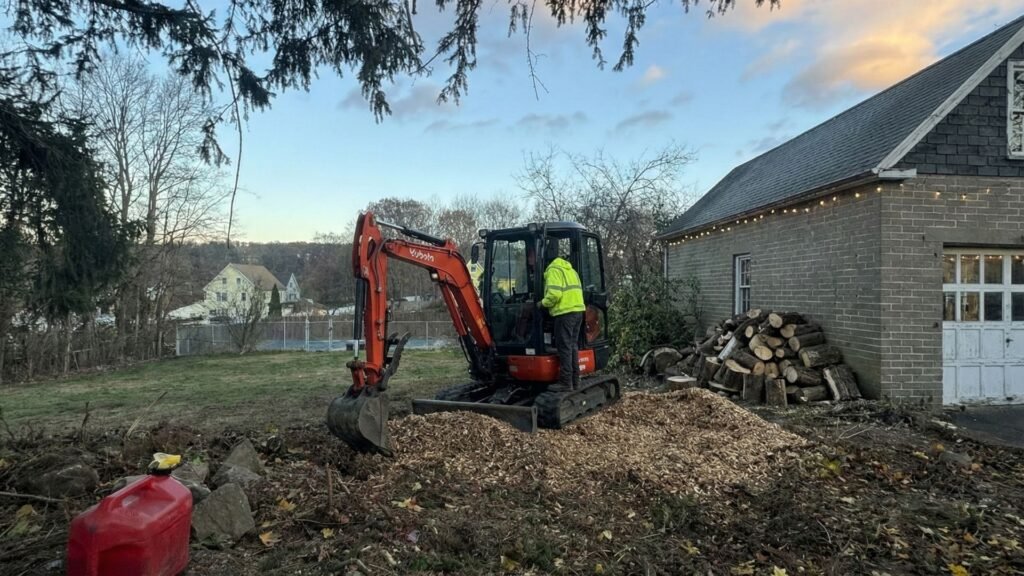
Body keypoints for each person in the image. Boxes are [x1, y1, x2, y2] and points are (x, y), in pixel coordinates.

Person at [539, 240, 586, 392]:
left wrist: (542, 304)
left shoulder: (553, 270)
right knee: (572, 346)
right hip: (578, 312)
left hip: (564, 313)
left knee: (564, 347)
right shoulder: (571, 270)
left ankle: (566, 382)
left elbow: (554, 294)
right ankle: (575, 380)